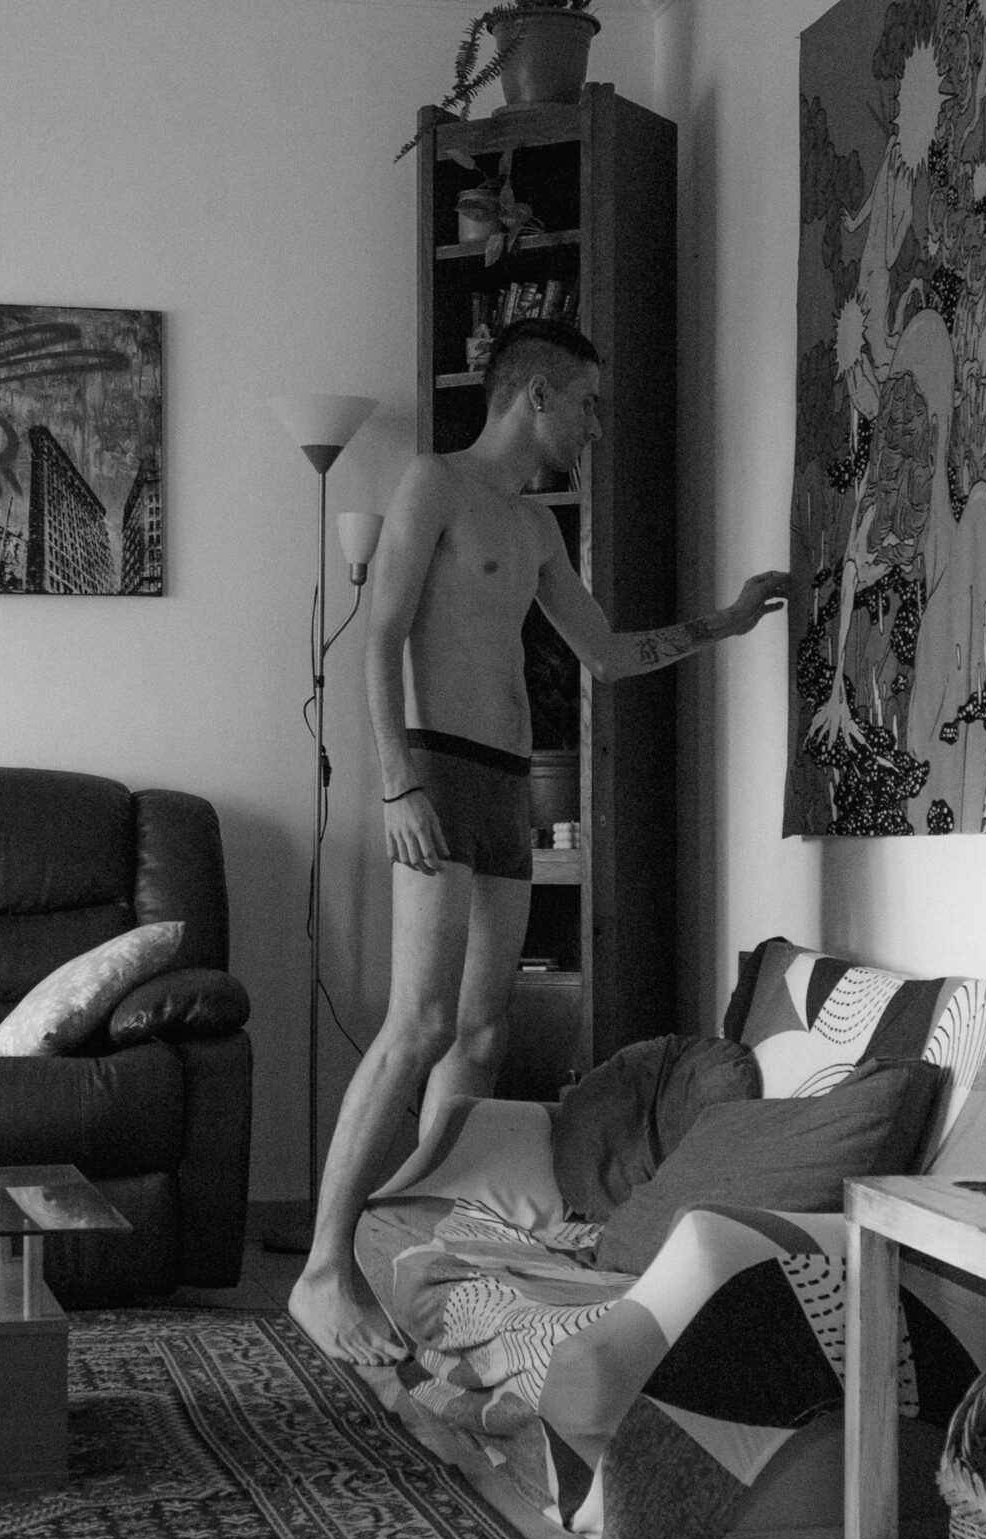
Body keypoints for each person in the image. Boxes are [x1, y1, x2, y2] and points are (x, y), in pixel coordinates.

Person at [287, 320, 789, 1363]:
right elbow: (380, 637)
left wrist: (728, 622)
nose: (597, 425)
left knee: (481, 1033)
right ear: (537, 396)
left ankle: (420, 1238)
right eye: (589, 404)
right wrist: (396, 783)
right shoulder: (434, 482)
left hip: (506, 787)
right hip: (435, 770)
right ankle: (322, 1268)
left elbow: (605, 654)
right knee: (418, 1023)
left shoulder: (536, 529)